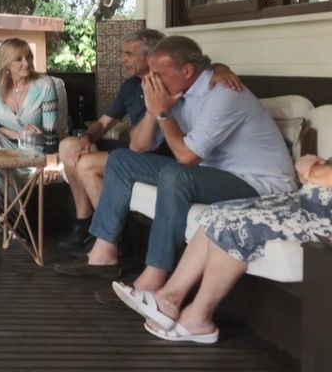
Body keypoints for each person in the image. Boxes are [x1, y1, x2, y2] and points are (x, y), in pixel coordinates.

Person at [56, 36, 297, 291]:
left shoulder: (223, 94)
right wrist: (153, 109)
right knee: (121, 159)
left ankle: (154, 277)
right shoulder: (177, 94)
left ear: (187, 70)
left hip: (259, 183)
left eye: (158, 74)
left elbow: (187, 157)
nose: (152, 81)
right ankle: (103, 255)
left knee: (175, 174)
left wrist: (162, 112)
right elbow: (138, 146)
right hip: (215, 174)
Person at [112, 154, 332, 344]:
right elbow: (310, 175)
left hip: (322, 217)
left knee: (234, 226)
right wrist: (313, 170)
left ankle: (199, 318)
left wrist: (313, 168)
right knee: (218, 212)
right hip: (301, 203)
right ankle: (169, 299)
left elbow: (316, 173)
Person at [56, 29, 242, 250]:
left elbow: (203, 71)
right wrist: (87, 138)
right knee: (68, 145)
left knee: (87, 164)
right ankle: (84, 221)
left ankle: (113, 237)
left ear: (150, 56)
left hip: (161, 154)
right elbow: (105, 123)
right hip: (138, 148)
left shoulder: (172, 84)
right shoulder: (131, 86)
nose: (122, 59)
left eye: (128, 54)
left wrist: (221, 68)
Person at [0, 38, 63, 242]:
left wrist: (51, 165)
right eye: (19, 59)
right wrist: (17, 134)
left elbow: (51, 132)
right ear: (6, 64)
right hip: (3, 147)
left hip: (32, 150)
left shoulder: (45, 85)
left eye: (29, 57)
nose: (27, 63)